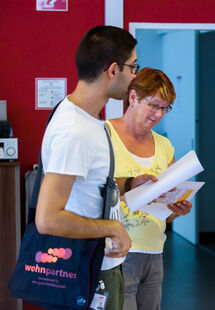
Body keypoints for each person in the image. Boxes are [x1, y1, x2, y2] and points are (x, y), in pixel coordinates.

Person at [35, 25, 139, 309]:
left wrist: (130, 184)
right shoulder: (74, 130)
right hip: (85, 270)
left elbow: (88, 185)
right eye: (133, 67)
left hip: (99, 264)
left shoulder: (89, 119)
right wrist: (112, 228)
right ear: (113, 70)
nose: (134, 75)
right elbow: (47, 218)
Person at [106, 67, 192, 310]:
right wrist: (131, 185)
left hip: (154, 251)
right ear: (132, 97)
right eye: (154, 105)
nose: (159, 114)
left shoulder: (164, 146)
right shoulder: (105, 134)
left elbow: (168, 207)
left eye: (165, 108)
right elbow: (93, 191)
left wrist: (178, 207)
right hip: (116, 252)